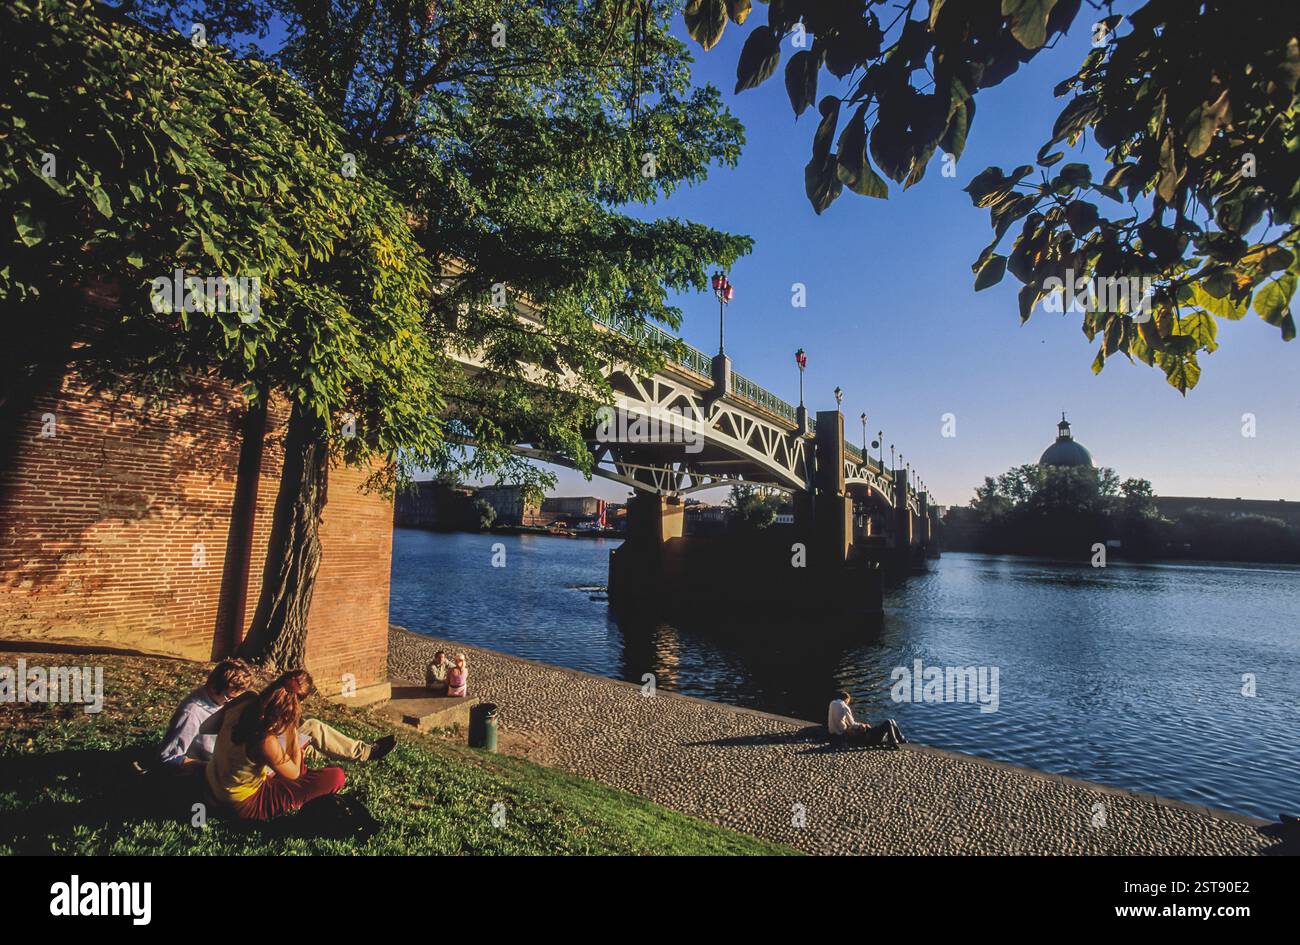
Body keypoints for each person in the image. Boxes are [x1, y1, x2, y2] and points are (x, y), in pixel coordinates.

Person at [205, 670, 394, 821]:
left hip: (217, 780)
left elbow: (207, 727)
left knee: (312, 727)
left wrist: (233, 747)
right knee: (336, 776)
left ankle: (364, 752)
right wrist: (290, 730)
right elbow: (295, 774)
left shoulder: (246, 699)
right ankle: (360, 754)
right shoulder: (265, 741)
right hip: (242, 803)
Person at [158, 658, 254, 772]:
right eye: (230, 698)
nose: (233, 704)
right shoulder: (191, 714)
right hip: (209, 770)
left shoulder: (221, 699)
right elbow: (168, 758)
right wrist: (211, 768)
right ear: (214, 688)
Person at [827, 690, 907, 750]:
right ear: (846, 699)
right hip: (867, 737)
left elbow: (846, 723)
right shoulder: (844, 707)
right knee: (889, 722)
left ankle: (900, 738)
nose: (848, 703)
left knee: (891, 721)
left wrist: (862, 727)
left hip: (832, 731)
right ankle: (895, 741)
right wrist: (863, 725)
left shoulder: (832, 703)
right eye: (848, 701)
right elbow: (852, 724)